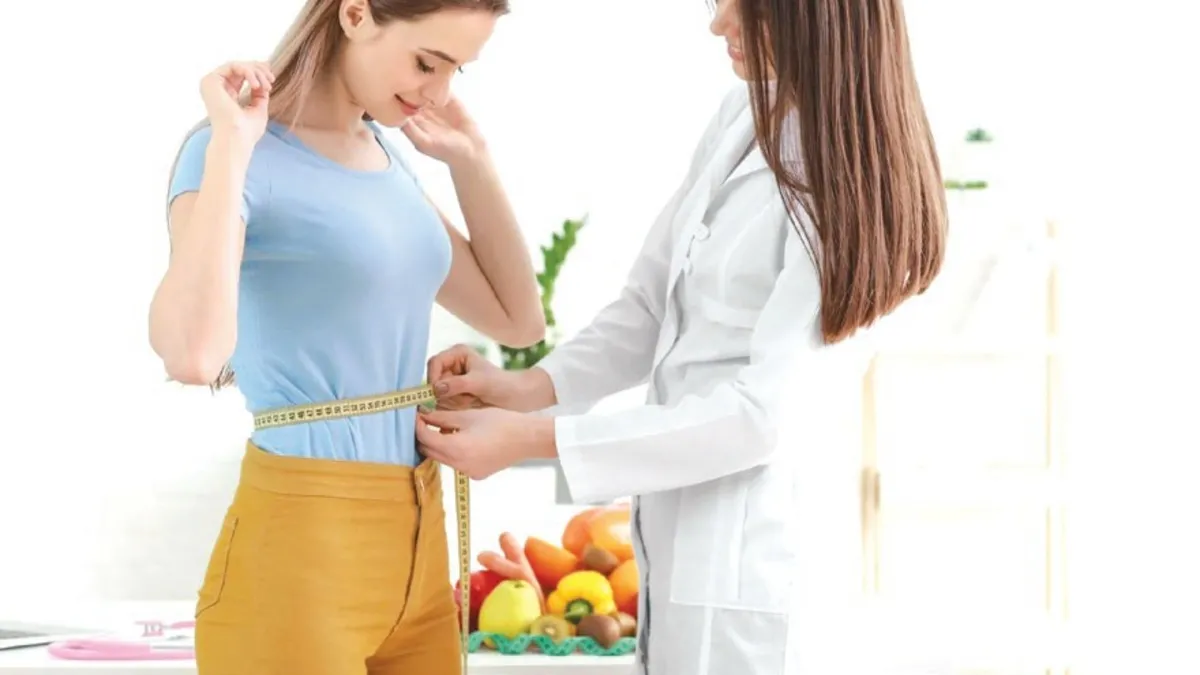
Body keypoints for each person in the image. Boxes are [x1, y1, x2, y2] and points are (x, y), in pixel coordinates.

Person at [415, 0, 948, 672]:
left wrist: (529, 438)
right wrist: (524, 387)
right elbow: (650, 304)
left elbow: (759, 418)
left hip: (751, 573)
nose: (719, 24)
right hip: (675, 545)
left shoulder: (846, 186)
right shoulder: (741, 118)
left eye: (748, 9)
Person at [147, 0, 544, 673]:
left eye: (457, 71)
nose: (437, 92)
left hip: (419, 534)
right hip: (303, 540)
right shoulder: (233, 151)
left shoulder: (384, 156)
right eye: (427, 62)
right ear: (356, 15)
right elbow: (192, 354)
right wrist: (232, 148)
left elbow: (517, 320)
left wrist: (471, 160)